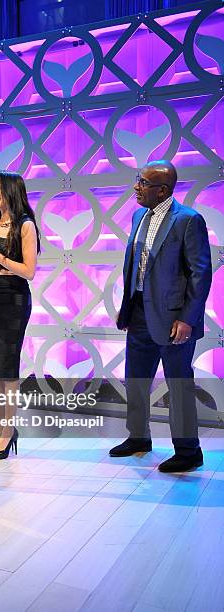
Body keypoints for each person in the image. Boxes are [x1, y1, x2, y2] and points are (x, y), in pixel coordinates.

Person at [111, 160, 212, 472]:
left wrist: (187, 318)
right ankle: (138, 437)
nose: (136, 188)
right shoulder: (139, 215)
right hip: (139, 311)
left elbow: (200, 273)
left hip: (173, 320)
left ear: (163, 190)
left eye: (142, 183)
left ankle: (188, 451)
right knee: (136, 379)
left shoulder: (188, 220)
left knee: (178, 384)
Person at [0, 171, 40, 460]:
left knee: (8, 368)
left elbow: (28, 271)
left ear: (11, 191)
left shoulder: (25, 225)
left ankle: (8, 431)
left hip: (15, 299)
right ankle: (1, 427)